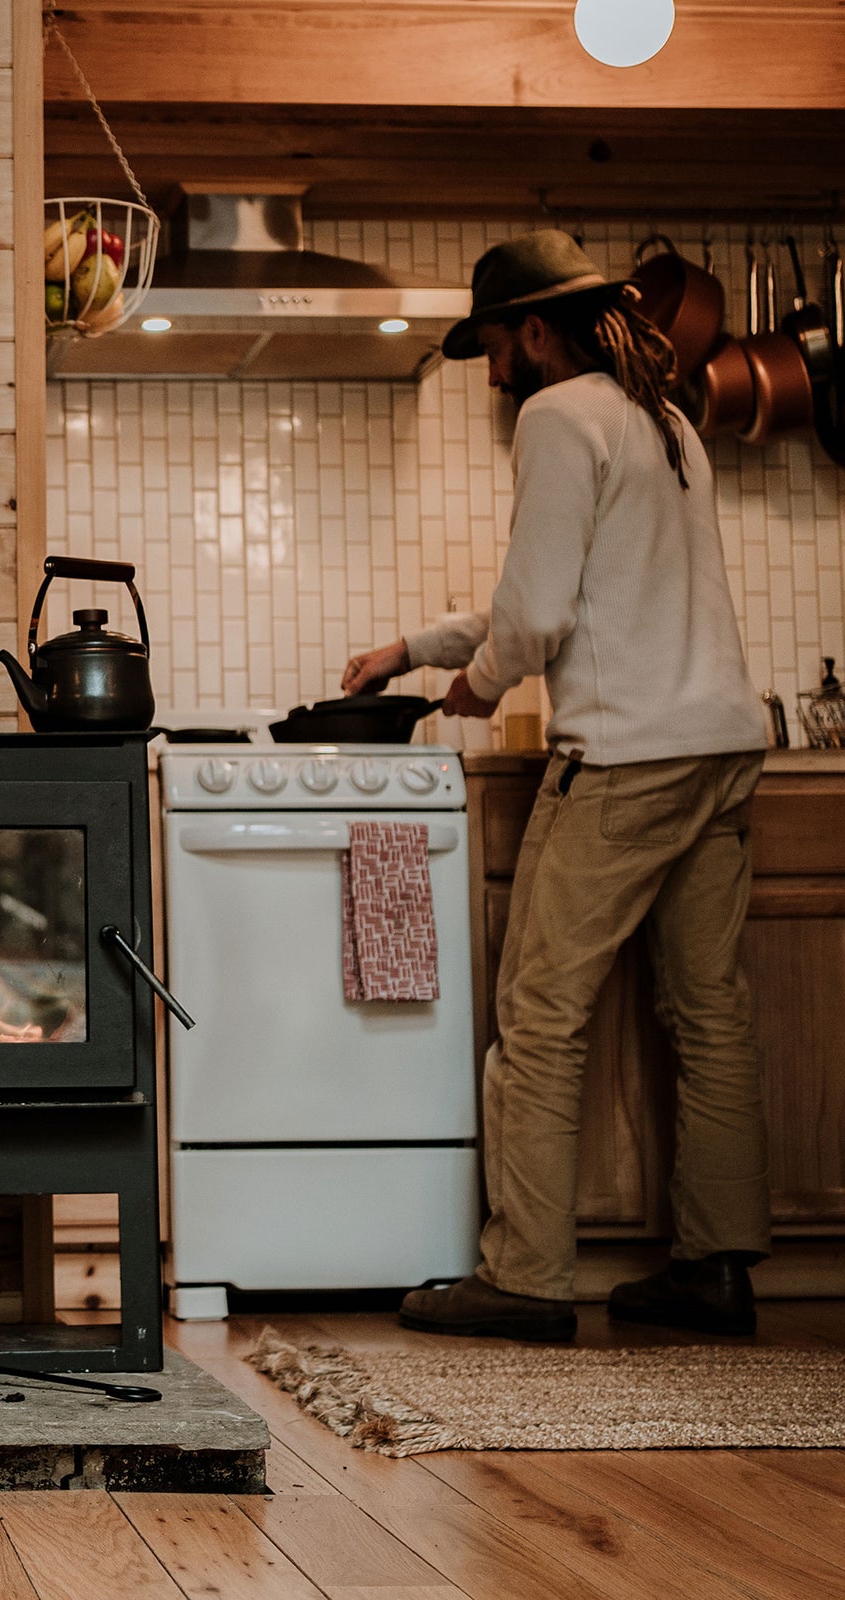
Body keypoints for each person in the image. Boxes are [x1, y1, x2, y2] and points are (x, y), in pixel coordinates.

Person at [344, 230, 770, 1341]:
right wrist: (412, 648)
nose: (490, 370)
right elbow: (555, 588)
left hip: (626, 758)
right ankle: (715, 1271)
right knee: (709, 1017)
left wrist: (476, 687)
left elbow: (534, 619)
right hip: (721, 745)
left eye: (493, 344)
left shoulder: (554, 416)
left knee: (537, 1014)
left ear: (534, 331)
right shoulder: (662, 420)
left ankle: (526, 1276)